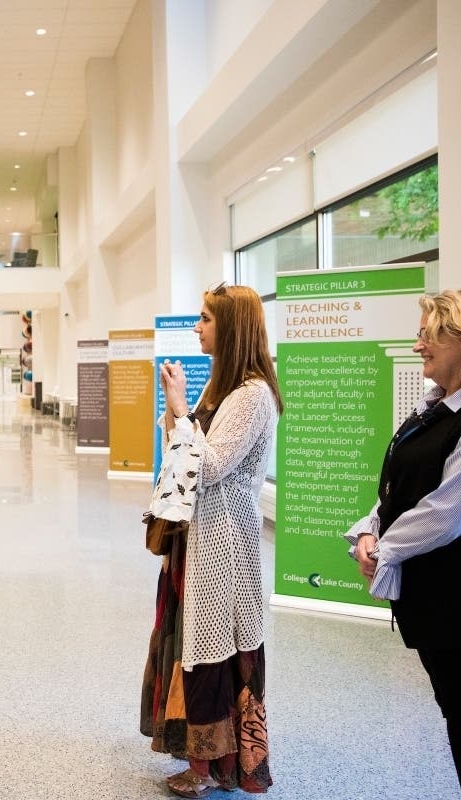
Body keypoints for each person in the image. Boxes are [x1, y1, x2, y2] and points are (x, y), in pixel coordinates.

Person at [141, 283, 281, 798]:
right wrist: (178, 409)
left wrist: (178, 408)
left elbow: (212, 466)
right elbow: (181, 460)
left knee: (214, 654)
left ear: (232, 325)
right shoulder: (220, 389)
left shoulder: (251, 395)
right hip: (195, 537)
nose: (196, 327)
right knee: (190, 648)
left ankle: (213, 767)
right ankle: (201, 759)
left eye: (204, 319)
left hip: (223, 542)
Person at [345, 288, 461, 798]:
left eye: (428, 335)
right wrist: (369, 530)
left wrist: (385, 551)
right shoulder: (432, 409)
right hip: (431, 604)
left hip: (460, 605)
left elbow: (449, 511)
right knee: (456, 711)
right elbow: (397, 488)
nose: (418, 345)